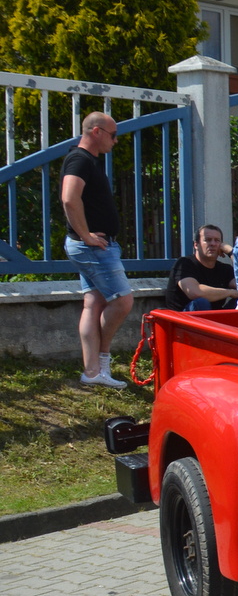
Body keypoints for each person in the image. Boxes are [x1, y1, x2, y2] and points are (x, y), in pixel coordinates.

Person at [60, 111, 130, 389]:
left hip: (95, 245)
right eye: (113, 135)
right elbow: (69, 198)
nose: (115, 141)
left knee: (94, 303)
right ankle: (101, 362)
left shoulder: (87, 161)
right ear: (97, 131)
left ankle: (92, 372)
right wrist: (85, 235)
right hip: (93, 247)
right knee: (123, 301)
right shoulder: (80, 159)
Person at [163, 224, 238, 311]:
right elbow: (195, 292)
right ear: (196, 245)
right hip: (184, 316)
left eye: (217, 240)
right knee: (201, 302)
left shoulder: (225, 269)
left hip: (214, 316)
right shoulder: (184, 264)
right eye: (208, 240)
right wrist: (230, 292)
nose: (213, 244)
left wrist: (231, 252)